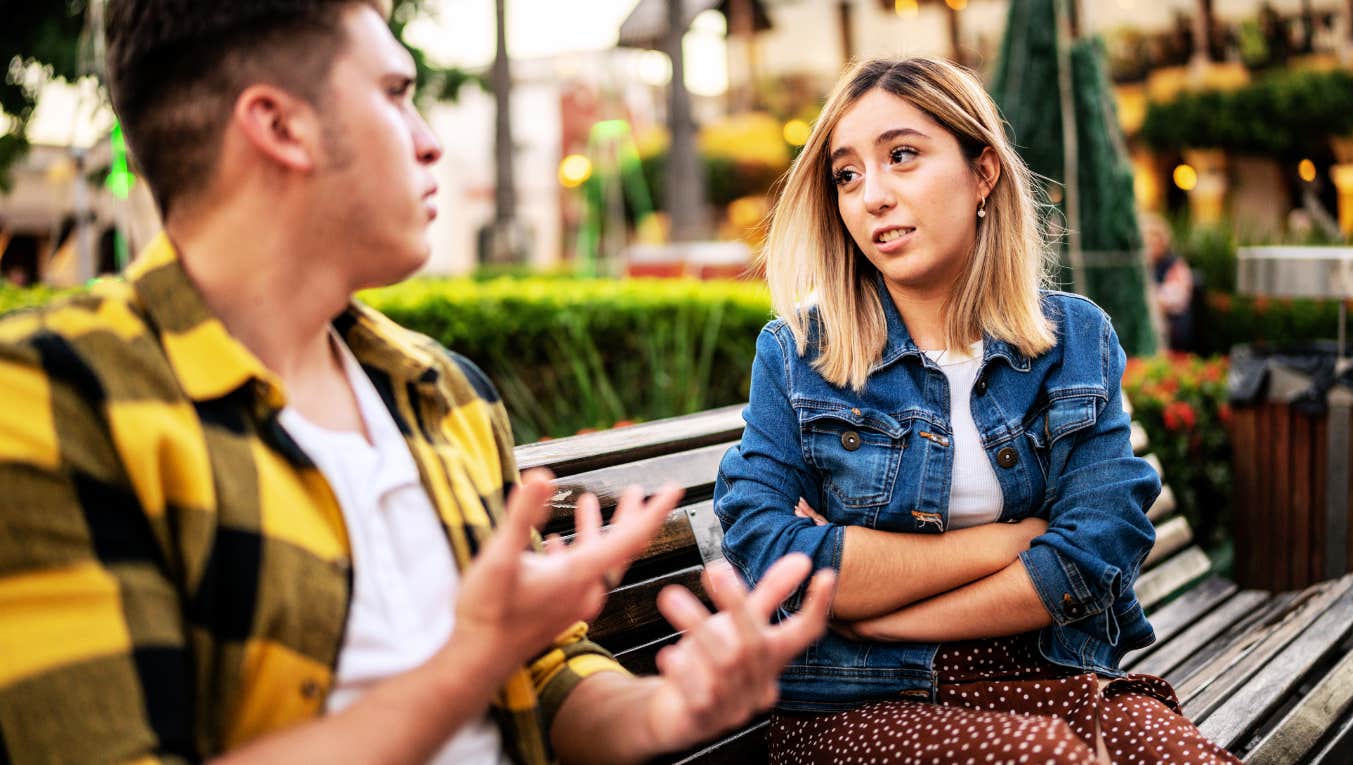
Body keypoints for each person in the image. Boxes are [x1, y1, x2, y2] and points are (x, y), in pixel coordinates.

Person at [0, 2, 836, 763]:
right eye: (397, 93)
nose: (429, 137)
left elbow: (542, 671)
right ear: (279, 125)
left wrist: (663, 711)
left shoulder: (438, 387)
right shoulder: (55, 397)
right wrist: (471, 657)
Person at [712, 58, 1239, 764]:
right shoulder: (798, 354)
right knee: (1050, 757)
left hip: (1042, 672)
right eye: (848, 174)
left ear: (982, 170)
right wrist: (1008, 541)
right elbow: (772, 554)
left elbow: (1097, 548)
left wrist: (881, 617)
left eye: (902, 156)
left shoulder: (1075, 339)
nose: (873, 195)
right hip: (858, 704)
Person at [1140, 212, 1194, 353]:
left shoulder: (1175, 265)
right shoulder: (1140, 267)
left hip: (1172, 325)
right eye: (1147, 241)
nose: (1151, 246)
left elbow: (1176, 297)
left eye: (1155, 241)